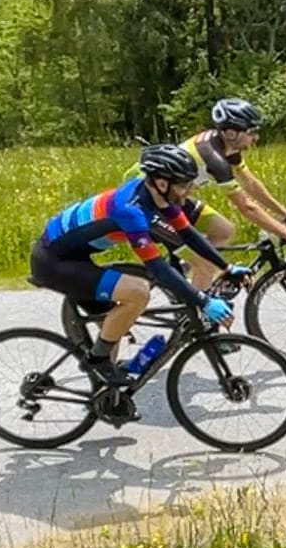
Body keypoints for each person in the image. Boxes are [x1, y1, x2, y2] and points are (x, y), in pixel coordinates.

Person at [32, 144, 247, 387]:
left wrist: (226, 267)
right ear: (162, 183)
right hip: (53, 262)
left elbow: (188, 234)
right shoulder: (130, 210)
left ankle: (105, 396)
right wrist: (204, 301)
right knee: (138, 292)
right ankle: (96, 360)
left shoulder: (157, 196)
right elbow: (157, 268)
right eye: (183, 185)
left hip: (75, 256)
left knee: (113, 327)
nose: (189, 190)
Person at [143, 97, 286, 293]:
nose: (256, 138)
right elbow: (246, 207)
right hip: (149, 203)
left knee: (224, 231)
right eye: (251, 132)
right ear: (231, 133)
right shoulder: (215, 158)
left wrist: (285, 213)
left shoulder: (227, 147)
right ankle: (194, 308)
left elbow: (250, 183)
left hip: (171, 199)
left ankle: (180, 275)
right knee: (206, 264)